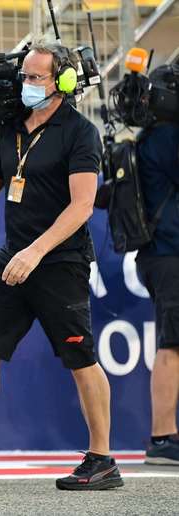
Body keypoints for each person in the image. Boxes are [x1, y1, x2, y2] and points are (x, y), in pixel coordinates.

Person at [0, 41, 124, 490]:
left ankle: (103, 458)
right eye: (24, 75)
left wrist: (36, 252)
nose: (24, 84)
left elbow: (83, 206)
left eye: (34, 77)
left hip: (59, 261)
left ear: (63, 83)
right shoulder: (11, 127)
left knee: (80, 357)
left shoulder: (79, 132)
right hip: (13, 260)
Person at [135, 65, 179, 466]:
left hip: (158, 254)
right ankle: (164, 437)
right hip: (170, 254)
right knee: (172, 343)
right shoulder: (167, 137)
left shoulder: (149, 135)